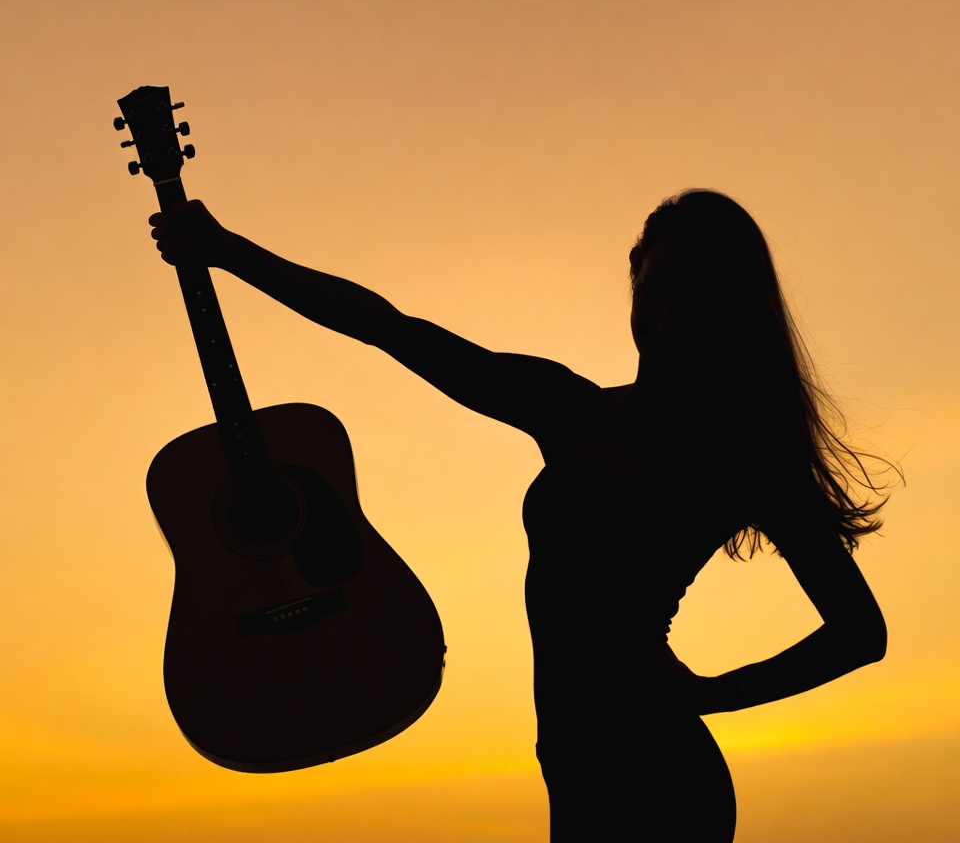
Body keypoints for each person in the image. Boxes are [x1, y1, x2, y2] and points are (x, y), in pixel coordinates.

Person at [149, 189, 890, 841]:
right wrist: (225, 251)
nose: (662, 317)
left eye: (686, 296)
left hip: (658, 780)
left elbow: (862, 634)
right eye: (651, 289)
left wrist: (707, 693)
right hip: (573, 773)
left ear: (725, 312)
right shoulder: (567, 411)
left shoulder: (737, 463)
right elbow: (387, 326)